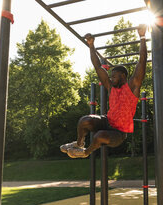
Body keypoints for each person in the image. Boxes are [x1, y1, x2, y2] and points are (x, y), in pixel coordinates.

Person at [60, 24, 147, 158]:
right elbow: (97, 66)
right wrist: (91, 45)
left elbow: (141, 62)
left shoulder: (132, 87)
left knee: (99, 136)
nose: (111, 78)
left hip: (118, 132)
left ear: (123, 76)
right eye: (110, 76)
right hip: (107, 121)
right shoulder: (111, 87)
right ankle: (79, 144)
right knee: (84, 120)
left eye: (114, 76)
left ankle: (85, 152)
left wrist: (142, 37)